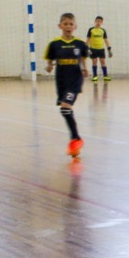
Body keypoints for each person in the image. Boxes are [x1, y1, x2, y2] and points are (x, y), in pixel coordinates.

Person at [42, 12, 88, 157]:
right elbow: (49, 61)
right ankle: (76, 140)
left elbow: (82, 58)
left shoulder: (80, 44)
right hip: (61, 79)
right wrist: (49, 66)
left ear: (75, 26)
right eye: (65, 24)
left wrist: (85, 68)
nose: (68, 26)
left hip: (75, 78)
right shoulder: (54, 44)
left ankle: (75, 139)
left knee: (66, 106)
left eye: (71, 24)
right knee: (64, 110)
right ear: (60, 26)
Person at [86, 16, 111, 84]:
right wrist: (86, 49)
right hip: (93, 48)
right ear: (95, 21)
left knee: (103, 62)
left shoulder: (103, 31)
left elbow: (106, 40)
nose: (98, 22)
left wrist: (109, 49)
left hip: (101, 49)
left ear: (102, 22)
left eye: (100, 21)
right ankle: (95, 76)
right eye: (97, 21)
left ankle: (105, 76)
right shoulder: (91, 30)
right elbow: (88, 39)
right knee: (94, 62)